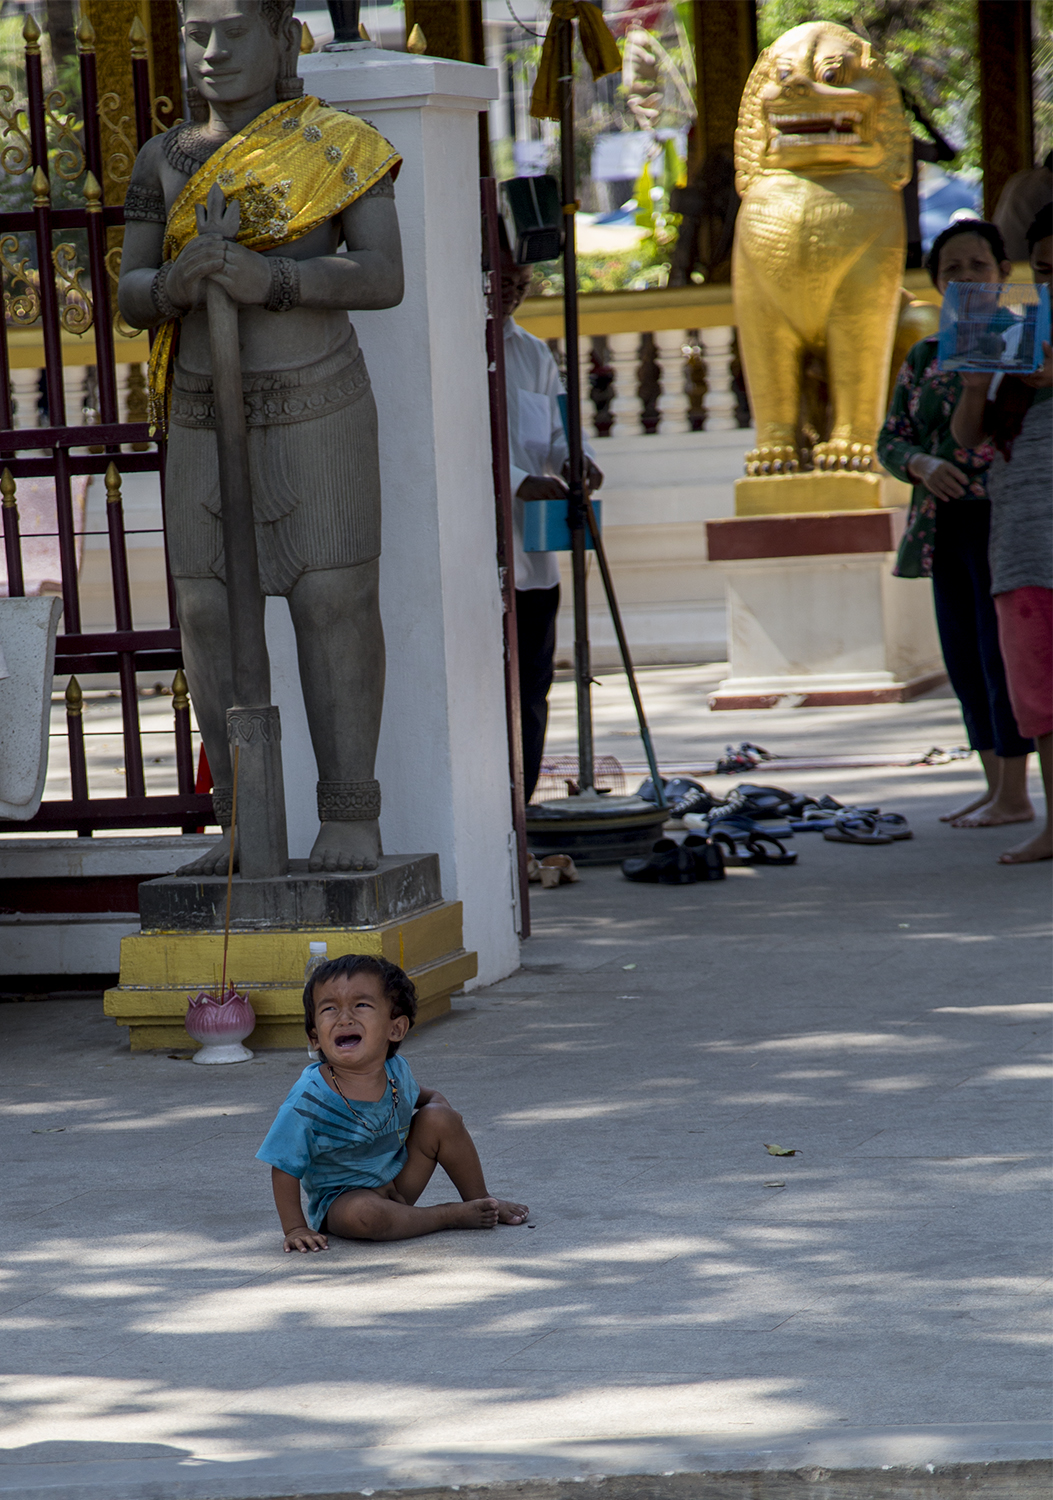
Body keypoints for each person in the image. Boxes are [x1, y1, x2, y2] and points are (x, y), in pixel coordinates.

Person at [878, 220, 1035, 828]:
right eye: (953, 270)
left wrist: (961, 458)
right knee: (964, 657)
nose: (966, 278)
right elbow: (891, 438)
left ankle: (1018, 791)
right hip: (944, 525)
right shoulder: (923, 355)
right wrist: (920, 463)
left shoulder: (1026, 344)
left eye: (979, 266)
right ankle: (996, 786)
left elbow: (1019, 436)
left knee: (1005, 658)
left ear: (1003, 276)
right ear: (936, 283)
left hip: (1008, 521)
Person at [257, 954, 529, 1249]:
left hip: (398, 1185)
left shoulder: (396, 1072)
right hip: (344, 1203)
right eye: (329, 1008)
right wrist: (295, 1228)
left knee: (438, 1116)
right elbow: (283, 1165)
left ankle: (481, 1200)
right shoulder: (309, 1098)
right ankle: (446, 1216)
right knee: (367, 1214)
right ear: (315, 1038)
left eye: (361, 1005)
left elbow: (430, 1098)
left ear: (395, 1029)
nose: (344, 1017)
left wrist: (448, 1122)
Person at [951, 206, 1053, 864]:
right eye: (1042, 272)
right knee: (1039, 694)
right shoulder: (1011, 327)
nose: (1050, 284)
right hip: (1020, 539)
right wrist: (969, 385)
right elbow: (969, 437)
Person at [499, 243, 603, 803]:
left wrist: (574, 462)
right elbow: (457, 439)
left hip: (535, 557)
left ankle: (522, 807)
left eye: (522, 280)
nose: (513, 289)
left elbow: (560, 433)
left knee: (533, 688)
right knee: (488, 690)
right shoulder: (455, 347)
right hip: (481, 556)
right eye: (503, 279)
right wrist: (518, 479)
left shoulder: (535, 354)